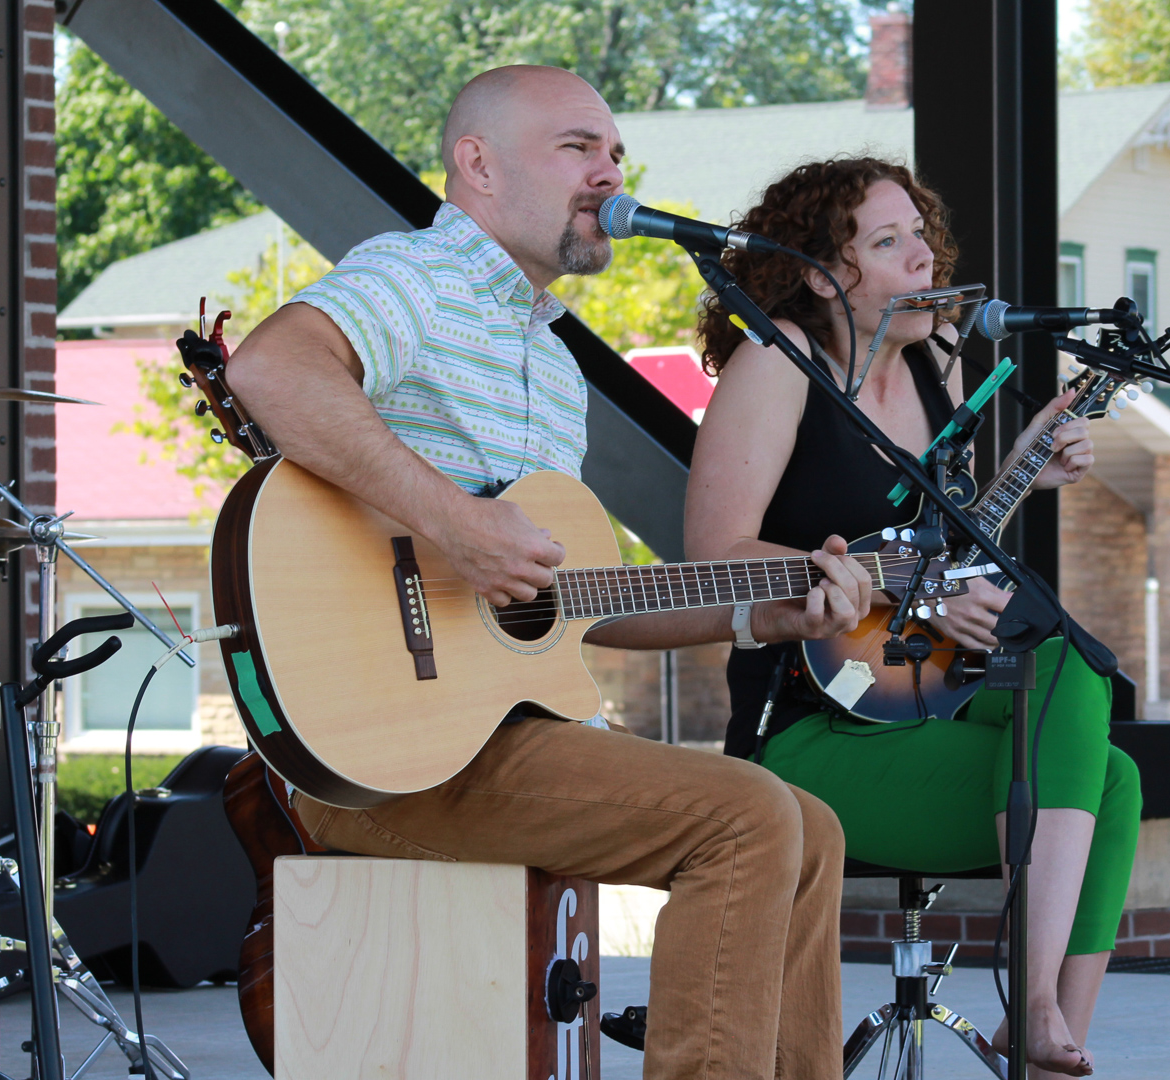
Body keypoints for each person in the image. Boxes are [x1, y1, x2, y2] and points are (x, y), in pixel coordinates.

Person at [225, 66, 872, 1080]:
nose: (610, 171)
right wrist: (455, 520)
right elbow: (269, 370)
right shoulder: (417, 276)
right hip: (380, 760)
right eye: (579, 147)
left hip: (499, 740)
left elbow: (578, 615)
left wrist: (767, 616)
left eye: (615, 152)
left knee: (813, 827)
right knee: (745, 816)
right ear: (476, 165)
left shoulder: (555, 367)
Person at [684, 157, 1143, 1079]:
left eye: (921, 235)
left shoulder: (937, 360)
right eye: (886, 242)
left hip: (922, 686)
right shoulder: (778, 362)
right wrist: (890, 586)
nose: (923, 258)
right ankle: (1035, 1002)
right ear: (822, 272)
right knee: (1110, 782)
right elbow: (711, 558)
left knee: (1078, 684)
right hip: (809, 723)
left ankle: (1041, 1023)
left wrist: (1025, 464)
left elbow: (944, 548)